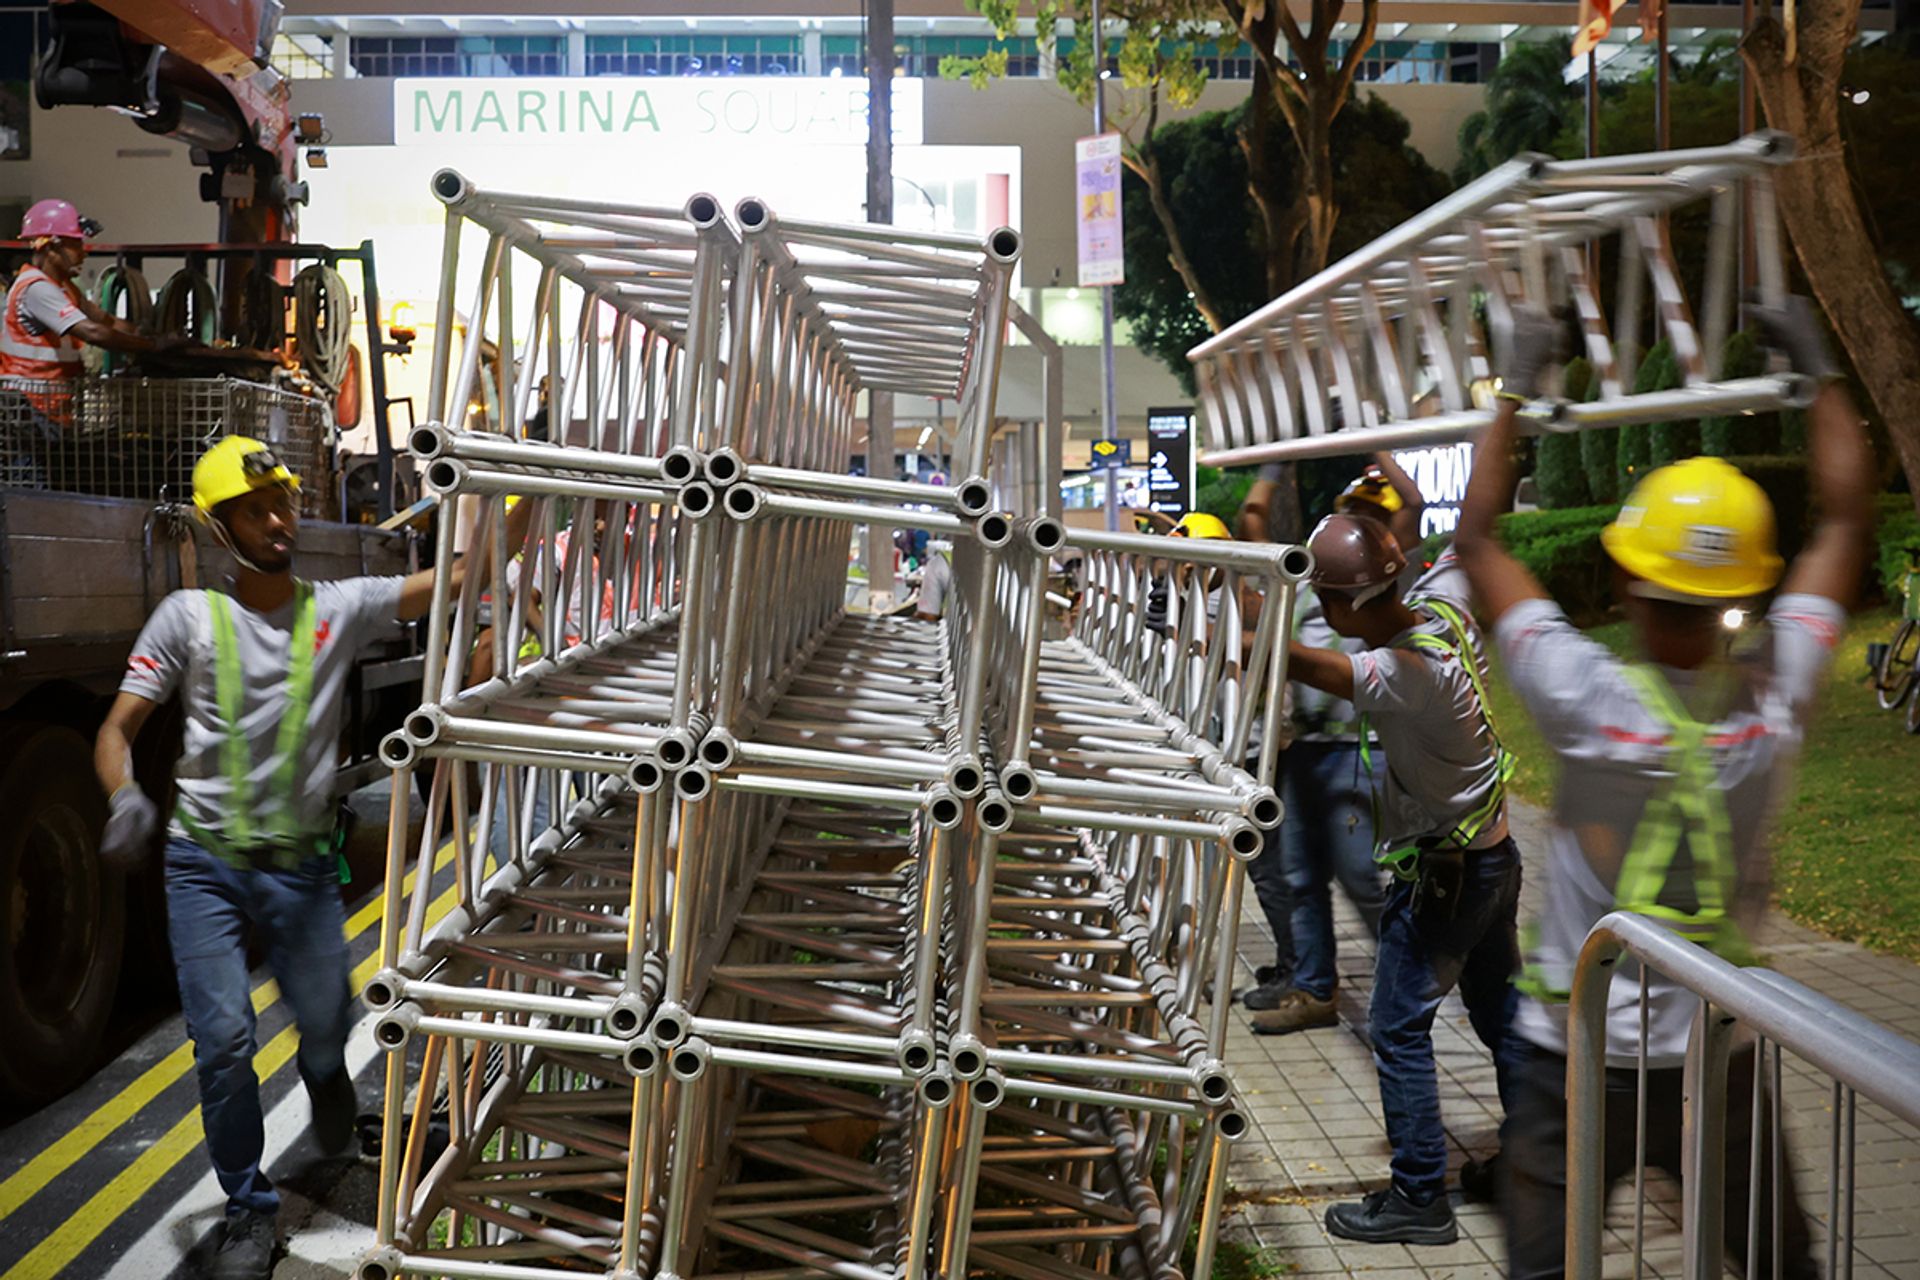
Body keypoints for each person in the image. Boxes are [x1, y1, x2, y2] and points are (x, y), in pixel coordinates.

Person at [1453, 297, 1871, 1279]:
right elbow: (1850, 516)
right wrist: (1820, 368)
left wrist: (1513, 387)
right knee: (1781, 1266)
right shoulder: (1772, 706)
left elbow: (1477, 544)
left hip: (1568, 1055)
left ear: (1632, 591)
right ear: (1749, 598)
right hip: (1714, 1064)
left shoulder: (1585, 697)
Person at [92, 436, 530, 1280]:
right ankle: (250, 1210)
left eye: (283, 503)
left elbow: (460, 577)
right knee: (222, 1041)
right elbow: (116, 731)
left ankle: (326, 1074)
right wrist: (123, 796)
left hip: (298, 869)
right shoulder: (187, 619)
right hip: (203, 866)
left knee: (327, 1030)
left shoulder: (339, 607)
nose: (277, 520)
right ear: (221, 531)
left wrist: (528, 493)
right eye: (255, 511)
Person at [1283, 510, 1527, 1245]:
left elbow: (1304, 664)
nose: (1323, 618)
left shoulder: (1405, 673)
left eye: (1326, 602)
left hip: (1446, 878)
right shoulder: (1444, 608)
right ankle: (1534, 1164)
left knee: (1396, 1027)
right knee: (1503, 1020)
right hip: (1494, 858)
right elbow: (1457, 530)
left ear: (1352, 603)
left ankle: (1420, 1195)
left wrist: (1229, 618)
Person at [1238, 457, 1422, 1019]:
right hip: (1305, 750)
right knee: (1300, 876)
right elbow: (1252, 525)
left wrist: (1375, 443)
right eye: (1356, 513)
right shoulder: (1313, 585)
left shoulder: (1391, 578)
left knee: (1362, 877)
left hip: (1358, 749)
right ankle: (1317, 989)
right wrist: (1271, 466)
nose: (1364, 524)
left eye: (1374, 516)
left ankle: (1413, 976)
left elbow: (1413, 506)